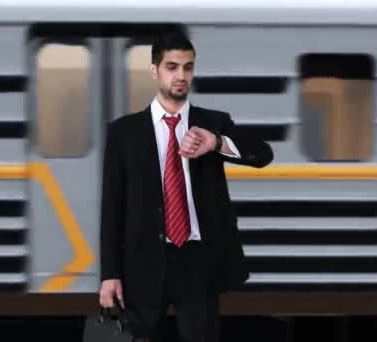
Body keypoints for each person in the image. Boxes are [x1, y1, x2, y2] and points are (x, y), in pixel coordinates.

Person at [99, 30, 273, 342]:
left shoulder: (212, 122)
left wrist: (216, 142)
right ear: (155, 71)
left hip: (198, 261)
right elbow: (112, 207)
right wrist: (109, 274)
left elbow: (262, 154)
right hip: (143, 263)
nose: (181, 75)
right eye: (172, 67)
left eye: (188, 67)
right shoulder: (124, 133)